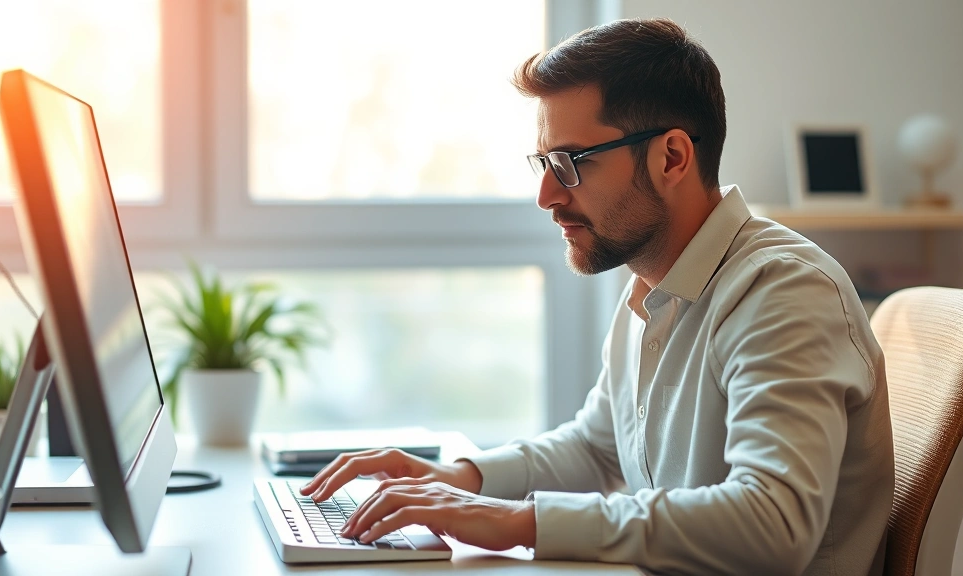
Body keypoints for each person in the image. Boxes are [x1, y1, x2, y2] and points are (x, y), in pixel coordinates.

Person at [301, 17, 895, 575]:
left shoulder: (784, 291)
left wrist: (519, 522)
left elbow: (773, 524)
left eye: (570, 162)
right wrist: (458, 478)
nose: (546, 196)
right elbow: (599, 449)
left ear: (672, 157)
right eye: (543, 161)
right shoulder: (654, 284)